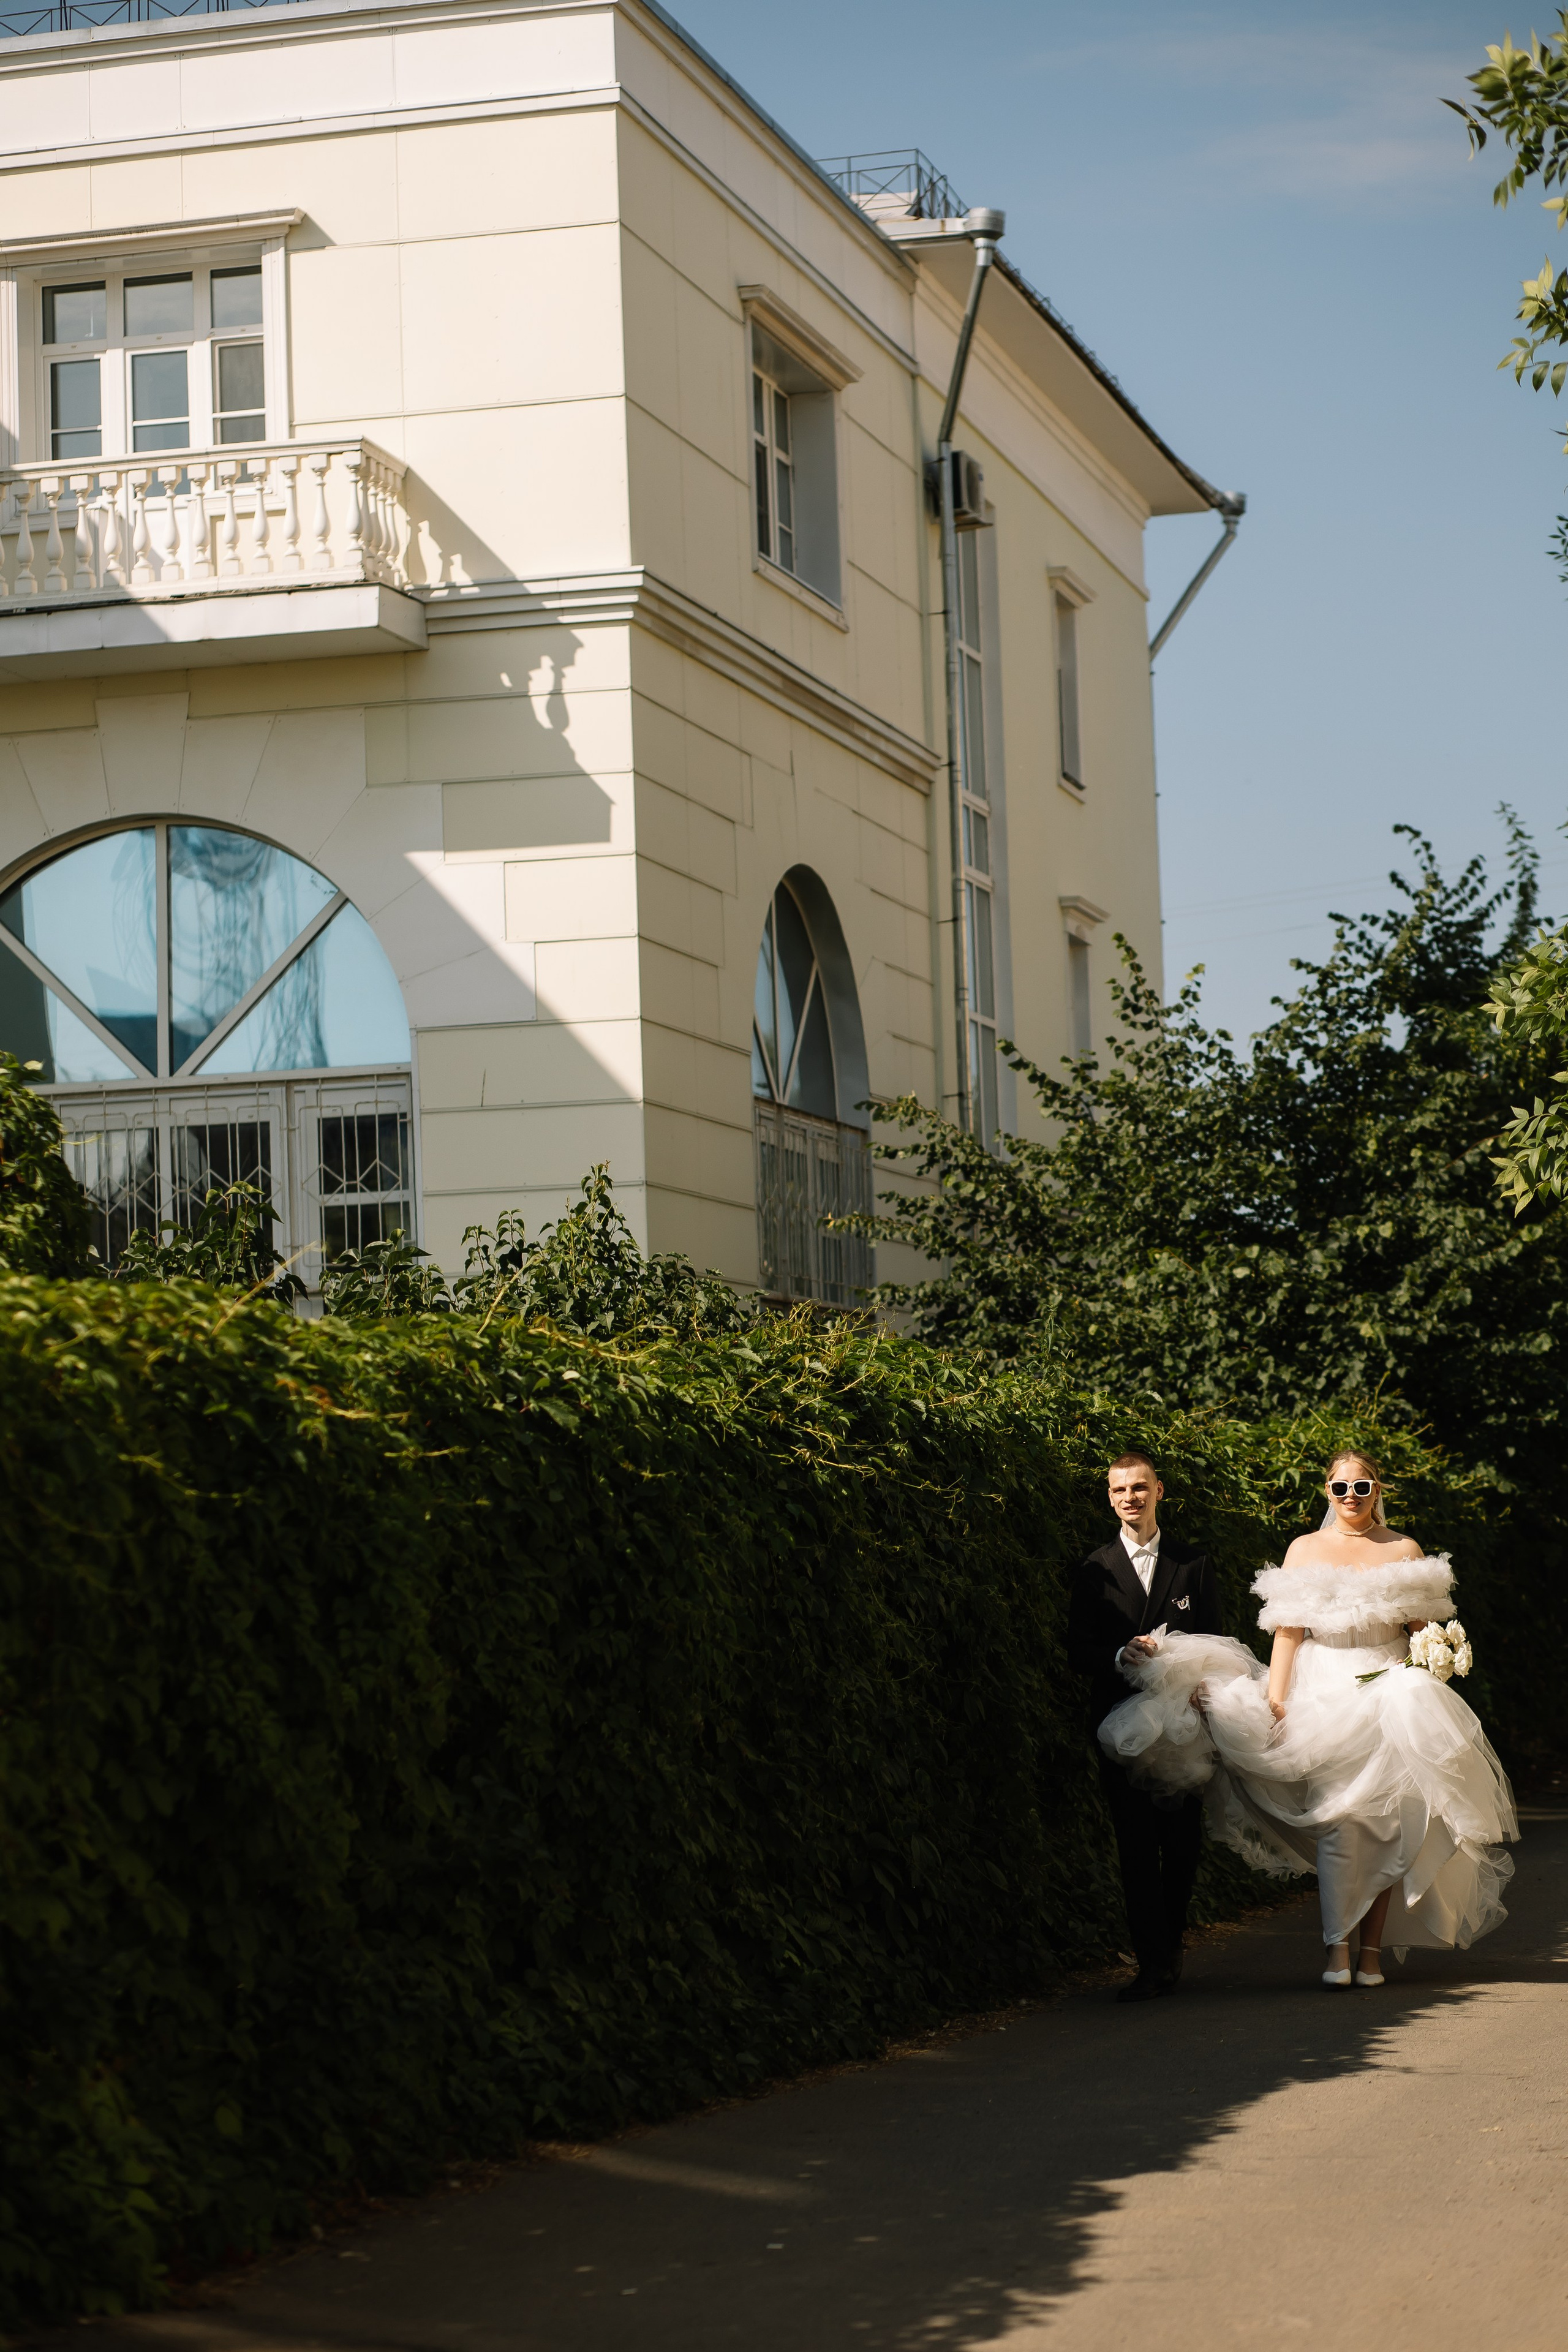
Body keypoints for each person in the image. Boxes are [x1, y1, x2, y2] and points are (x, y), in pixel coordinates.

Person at [1099, 1448, 1518, 1986]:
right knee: (1340, 1824)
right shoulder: (1303, 1550)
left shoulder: (1405, 1550)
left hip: (1389, 1693)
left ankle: (1371, 1955)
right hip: (1323, 1695)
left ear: (1378, 1491)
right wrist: (1274, 1704)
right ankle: (1336, 1951)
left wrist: (1439, 1650)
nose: (1351, 1498)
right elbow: (1288, 1635)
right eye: (1341, 1488)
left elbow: (1421, 1629)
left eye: (1361, 1488)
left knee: (1387, 1825)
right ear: (1327, 1492)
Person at [1066, 1450, 1222, 2003]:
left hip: (1182, 1726)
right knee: (1133, 1846)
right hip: (1119, 1728)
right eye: (1118, 1491)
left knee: (1180, 1844)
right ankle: (1151, 1962)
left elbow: (1215, 1640)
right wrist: (1117, 1653)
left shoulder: (1193, 1563)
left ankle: (1172, 1943)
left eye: (1139, 1487)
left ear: (1159, 1490)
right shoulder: (1093, 1568)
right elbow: (1075, 1647)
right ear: (1109, 1498)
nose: (1129, 1497)